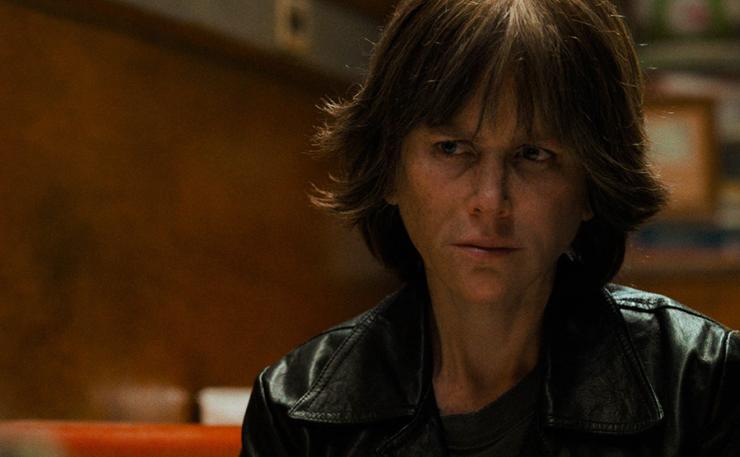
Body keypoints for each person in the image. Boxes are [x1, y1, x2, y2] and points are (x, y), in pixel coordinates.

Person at [240, 0, 740, 455]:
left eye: (533, 155)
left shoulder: (699, 384)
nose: (490, 201)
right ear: (390, 168)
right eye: (452, 149)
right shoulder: (297, 412)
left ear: (592, 184)